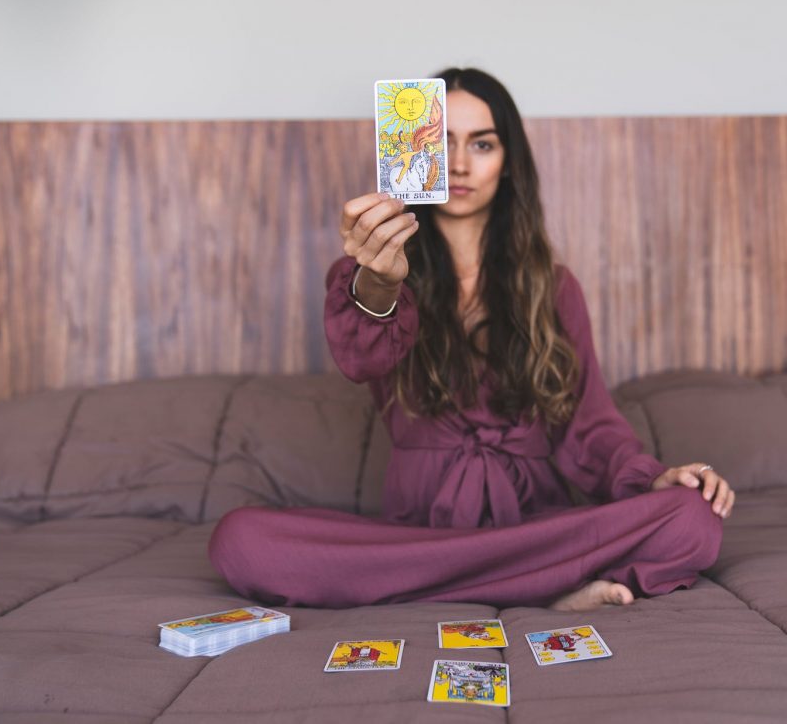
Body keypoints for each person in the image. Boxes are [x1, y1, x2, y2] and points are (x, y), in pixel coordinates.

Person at [209, 68, 735, 612]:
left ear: (508, 163)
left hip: (537, 531)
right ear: (414, 150)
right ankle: (544, 590)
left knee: (693, 519)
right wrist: (379, 282)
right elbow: (361, 357)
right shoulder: (369, 272)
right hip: (418, 538)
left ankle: (461, 587)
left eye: (481, 143)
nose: (459, 164)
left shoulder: (554, 287)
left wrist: (654, 480)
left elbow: (590, 428)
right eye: (440, 141)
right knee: (240, 540)